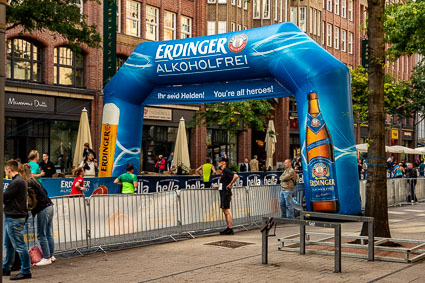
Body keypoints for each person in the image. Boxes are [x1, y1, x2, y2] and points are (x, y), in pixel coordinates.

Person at [2, 160, 32, 280]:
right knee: (8, 245)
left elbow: (4, 197)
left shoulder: (17, 182)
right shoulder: (18, 181)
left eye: (6, 170)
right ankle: (6, 267)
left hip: (14, 218)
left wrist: (6, 199)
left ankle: (25, 270)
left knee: (19, 245)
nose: (5, 173)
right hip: (13, 216)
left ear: (9, 169)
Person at [21, 164, 55, 266]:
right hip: (49, 206)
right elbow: (45, 192)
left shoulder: (28, 183)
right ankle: (51, 255)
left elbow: (30, 200)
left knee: (41, 234)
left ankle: (46, 257)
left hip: (43, 208)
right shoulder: (35, 181)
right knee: (48, 233)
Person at [216, 157, 239, 235]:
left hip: (226, 192)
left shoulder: (226, 170)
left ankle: (230, 228)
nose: (218, 163)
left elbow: (235, 176)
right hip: (223, 192)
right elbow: (224, 181)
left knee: (227, 210)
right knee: (224, 210)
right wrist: (218, 186)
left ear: (223, 162)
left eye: (219, 162)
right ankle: (228, 227)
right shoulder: (223, 171)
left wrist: (230, 184)